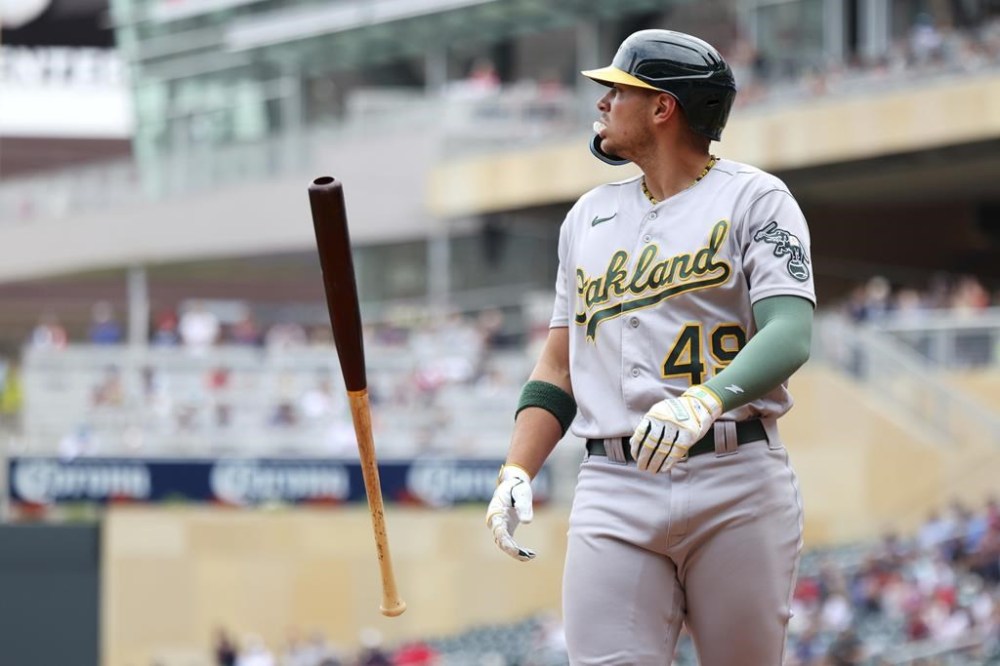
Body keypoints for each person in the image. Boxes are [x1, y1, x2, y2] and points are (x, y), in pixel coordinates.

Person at [486, 29, 815, 665]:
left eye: (620, 89)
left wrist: (705, 401)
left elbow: (791, 333)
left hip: (735, 477)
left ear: (663, 108)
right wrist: (518, 466)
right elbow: (559, 363)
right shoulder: (587, 217)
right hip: (614, 481)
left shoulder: (757, 198)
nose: (603, 100)